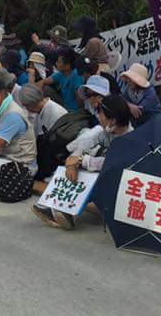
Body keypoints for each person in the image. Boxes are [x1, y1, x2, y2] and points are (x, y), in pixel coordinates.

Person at [32, 94, 133, 230]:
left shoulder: (129, 139)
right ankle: (56, 207)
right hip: (105, 174)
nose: (98, 117)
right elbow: (85, 145)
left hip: (120, 184)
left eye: (101, 114)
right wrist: (72, 161)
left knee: (90, 173)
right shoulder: (107, 132)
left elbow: (108, 162)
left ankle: (65, 211)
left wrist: (80, 160)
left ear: (112, 120)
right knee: (76, 167)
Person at [40, 48, 83, 113]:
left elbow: (80, 102)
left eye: (59, 62)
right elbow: (43, 81)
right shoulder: (61, 73)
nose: (56, 64)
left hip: (73, 110)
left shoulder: (76, 75)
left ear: (67, 66)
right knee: (45, 88)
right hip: (64, 105)